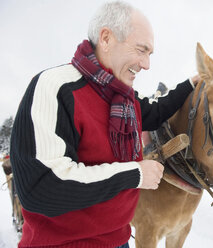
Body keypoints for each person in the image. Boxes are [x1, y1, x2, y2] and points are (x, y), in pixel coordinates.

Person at [10, 1, 198, 248]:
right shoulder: (55, 87)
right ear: (107, 38)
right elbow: (41, 188)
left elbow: (154, 113)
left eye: (150, 54)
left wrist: (191, 84)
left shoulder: (123, 97)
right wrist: (135, 173)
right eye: (141, 50)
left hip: (119, 240)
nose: (146, 65)